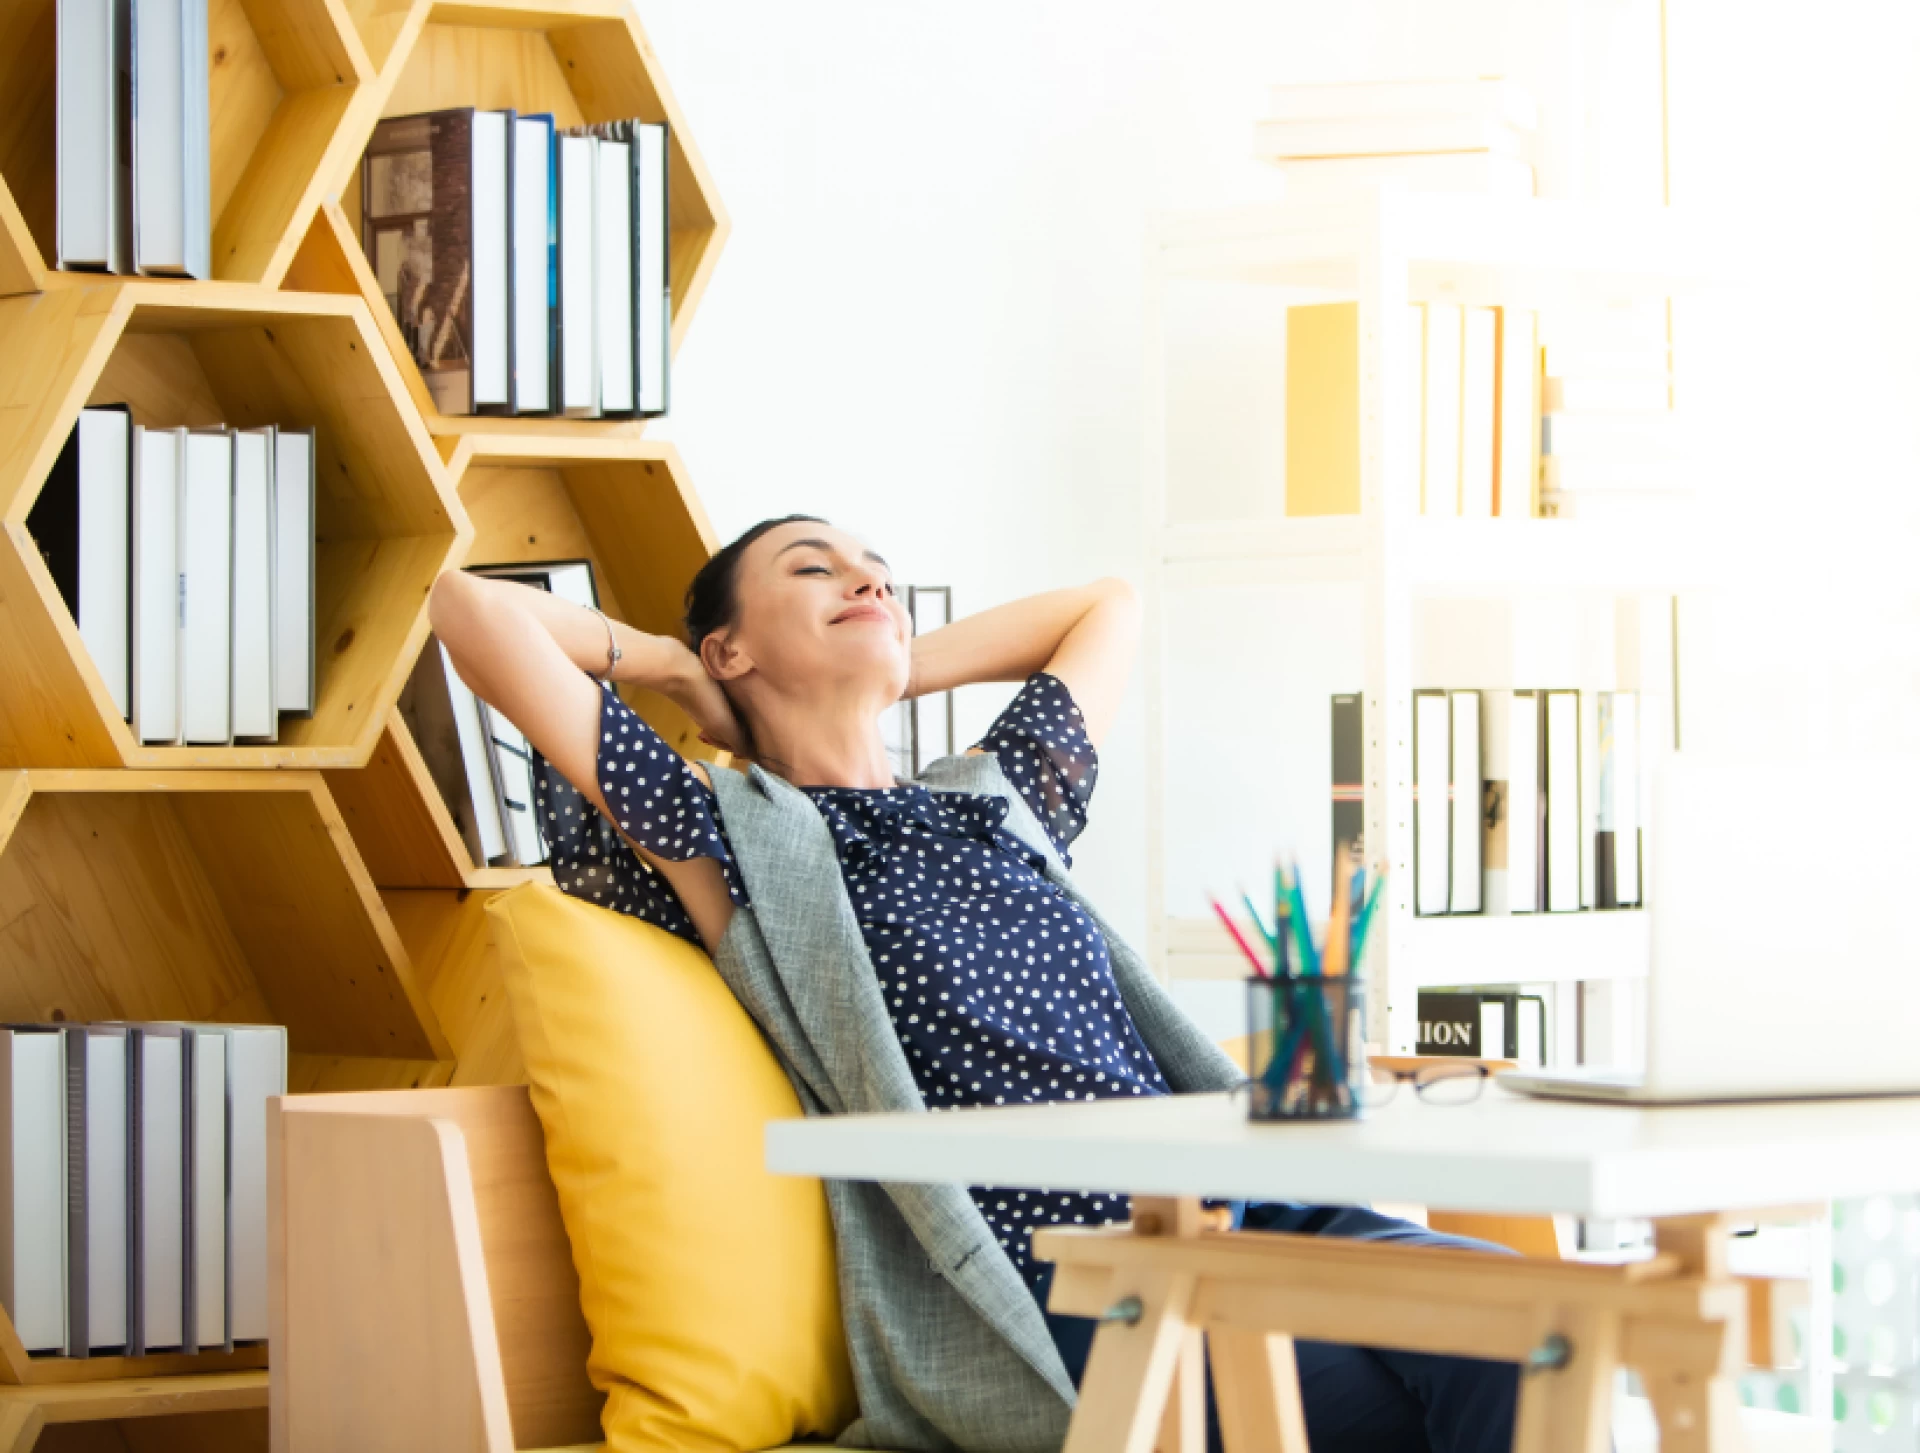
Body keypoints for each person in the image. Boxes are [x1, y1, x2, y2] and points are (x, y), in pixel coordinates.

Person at [427, 513, 1519, 1453]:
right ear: (732, 647)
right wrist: (674, 668)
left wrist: (897, 656)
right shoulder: (737, 840)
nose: (867, 581)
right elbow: (467, 609)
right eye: (814, 569)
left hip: (1247, 1207)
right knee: (1457, 1395)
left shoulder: (995, 803)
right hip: (1082, 1277)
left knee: (1518, 1323)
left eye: (878, 572)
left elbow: (1106, 607)